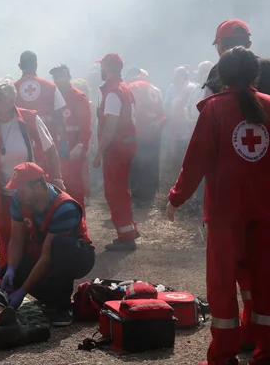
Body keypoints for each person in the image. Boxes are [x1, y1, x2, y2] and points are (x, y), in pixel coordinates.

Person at [166, 47, 270, 365]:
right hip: (265, 210)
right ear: (255, 75)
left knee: (222, 284)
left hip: (226, 213)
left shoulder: (213, 109)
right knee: (266, 281)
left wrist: (176, 198)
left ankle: (224, 356)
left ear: (221, 76)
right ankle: (265, 352)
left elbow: (196, 159)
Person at [0, 78, 64, 266]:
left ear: (10, 100)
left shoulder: (31, 119)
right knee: (7, 240)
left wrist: (57, 179)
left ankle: (36, 280)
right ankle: (10, 281)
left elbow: (51, 150)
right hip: (3, 198)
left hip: (32, 195)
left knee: (37, 238)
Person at [1, 163, 95, 326]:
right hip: (47, 253)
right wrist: (11, 268)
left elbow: (47, 256)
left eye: (22, 190)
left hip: (77, 256)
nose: (17, 194)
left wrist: (22, 292)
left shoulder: (64, 207)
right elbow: (16, 240)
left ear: (38, 186)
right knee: (9, 272)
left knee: (59, 245)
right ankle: (51, 299)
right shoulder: (19, 199)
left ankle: (63, 307)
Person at [93, 54, 138, 251]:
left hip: (116, 149)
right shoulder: (124, 88)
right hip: (126, 146)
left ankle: (126, 236)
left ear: (108, 68)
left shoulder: (112, 92)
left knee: (114, 192)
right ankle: (130, 228)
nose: (100, 70)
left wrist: (98, 153)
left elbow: (110, 127)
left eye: (101, 66)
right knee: (122, 189)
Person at [49, 64, 92, 208]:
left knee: (75, 189)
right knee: (58, 188)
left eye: (61, 75)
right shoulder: (52, 97)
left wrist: (80, 145)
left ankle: (78, 224)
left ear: (68, 76)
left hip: (73, 150)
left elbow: (86, 126)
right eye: (55, 76)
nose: (58, 79)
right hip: (58, 150)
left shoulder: (78, 97)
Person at [126, 68, 167, 206]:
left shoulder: (132, 87)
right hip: (154, 132)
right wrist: (155, 124)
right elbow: (163, 113)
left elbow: (133, 110)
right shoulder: (155, 89)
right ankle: (149, 197)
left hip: (139, 132)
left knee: (137, 165)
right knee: (151, 164)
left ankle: (139, 198)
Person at [203, 19, 270, 99]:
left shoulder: (215, 72)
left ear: (221, 46)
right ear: (249, 44)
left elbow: (206, 107)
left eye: (217, 46)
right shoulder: (267, 65)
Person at [14, 51, 67, 143]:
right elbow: (60, 117)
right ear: (36, 65)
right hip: (47, 142)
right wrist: (63, 142)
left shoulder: (12, 89)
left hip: (22, 144)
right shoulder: (51, 86)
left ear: (20, 66)